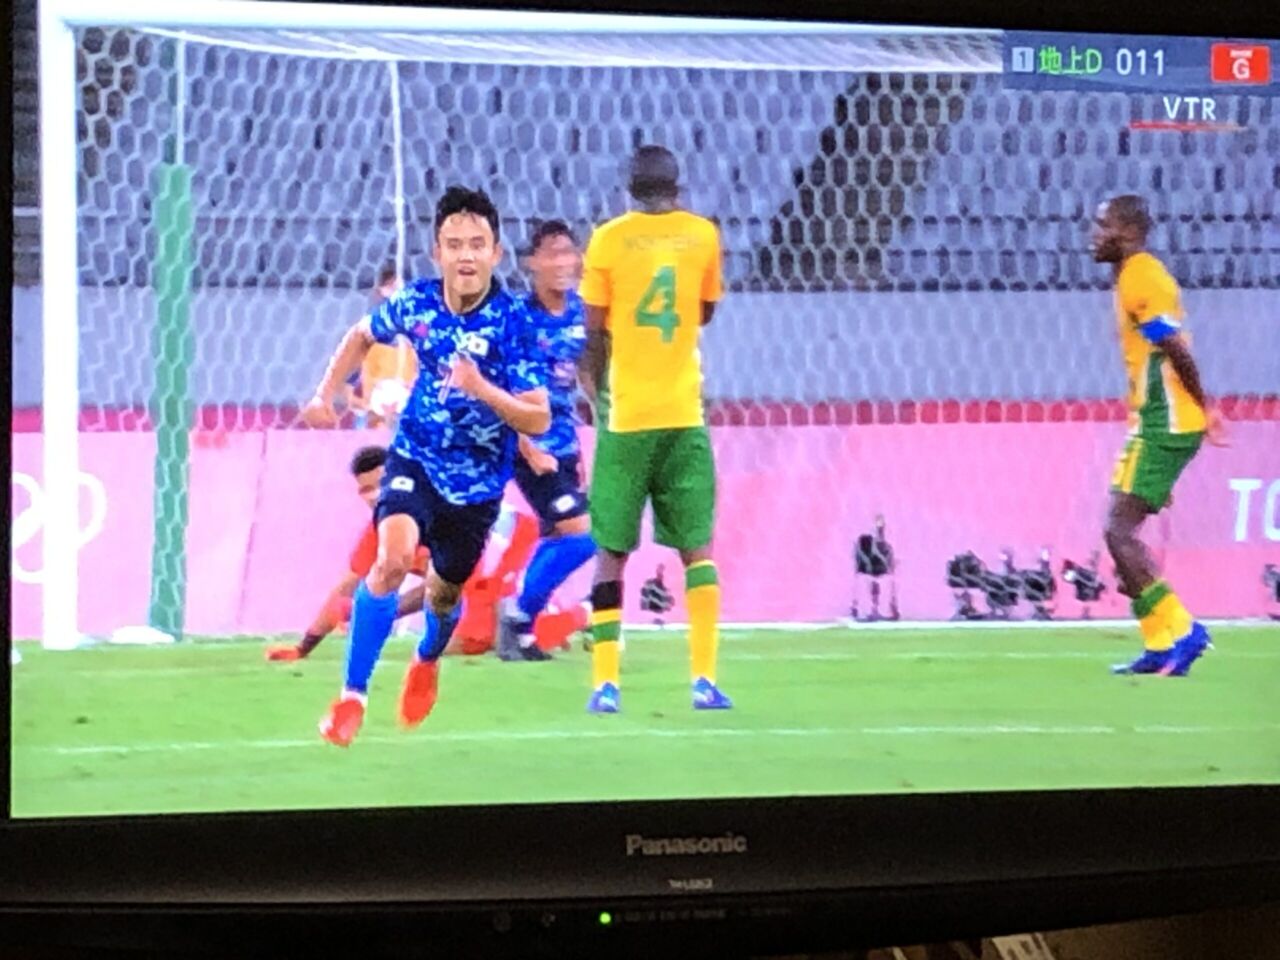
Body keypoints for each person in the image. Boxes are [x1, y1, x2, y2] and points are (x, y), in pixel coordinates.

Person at [303, 186, 549, 746]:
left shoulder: (513, 323)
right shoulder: (416, 303)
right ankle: (351, 698)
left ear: (496, 253)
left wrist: (481, 388)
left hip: (478, 485)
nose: (466, 255)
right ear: (437, 252)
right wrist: (325, 393)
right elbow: (361, 335)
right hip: (415, 456)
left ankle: (427, 658)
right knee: (390, 560)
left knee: (443, 593)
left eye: (477, 244)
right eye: (454, 244)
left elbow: (537, 417)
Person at [577, 145, 732, 714]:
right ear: (677, 186)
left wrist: (594, 390)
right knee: (698, 547)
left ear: (630, 189)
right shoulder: (703, 236)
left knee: (611, 549)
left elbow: (594, 329)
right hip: (683, 412)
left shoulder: (608, 239)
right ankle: (704, 681)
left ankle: (606, 685)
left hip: (628, 414)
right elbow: (704, 310)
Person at [1089, 194, 1227, 677]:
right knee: (1118, 534)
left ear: (1128, 232)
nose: (1093, 235)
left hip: (1165, 423)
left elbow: (1175, 348)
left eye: (1102, 225)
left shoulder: (1143, 278)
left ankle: (1184, 631)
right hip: (1155, 421)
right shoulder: (1132, 274)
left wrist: (1205, 408)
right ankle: (1157, 645)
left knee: (1118, 532)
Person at [498, 220, 596, 662]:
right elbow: (504, 386)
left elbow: (587, 371)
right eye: (552, 253)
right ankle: (517, 613)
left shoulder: (581, 312)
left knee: (559, 533)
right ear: (532, 262)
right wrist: (527, 447)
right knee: (585, 533)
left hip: (566, 443)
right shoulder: (518, 319)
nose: (562, 262)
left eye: (568, 252)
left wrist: (601, 422)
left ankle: (520, 633)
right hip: (530, 445)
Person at [264, 446, 428, 662]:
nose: (374, 496)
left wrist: (378, 611)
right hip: (456, 598)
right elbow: (346, 588)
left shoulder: (436, 513)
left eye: (381, 485)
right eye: (366, 490)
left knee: (457, 637)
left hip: (469, 592)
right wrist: (303, 647)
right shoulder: (379, 528)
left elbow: (448, 586)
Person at [344, 265, 418, 430]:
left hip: (405, 389)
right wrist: (351, 393)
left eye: (397, 285)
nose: (394, 289)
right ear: (380, 290)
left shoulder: (415, 320)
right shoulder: (371, 323)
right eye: (389, 285)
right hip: (377, 392)